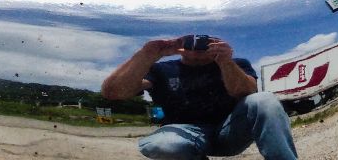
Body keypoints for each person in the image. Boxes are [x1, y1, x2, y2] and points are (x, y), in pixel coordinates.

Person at [100, 34, 298, 160]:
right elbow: (114, 92)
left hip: (228, 131)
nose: (198, 45)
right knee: (163, 145)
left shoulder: (235, 63)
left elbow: (247, 94)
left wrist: (225, 62)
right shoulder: (161, 69)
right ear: (179, 43)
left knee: (265, 99)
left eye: (206, 41)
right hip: (183, 134)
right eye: (190, 40)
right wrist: (148, 54)